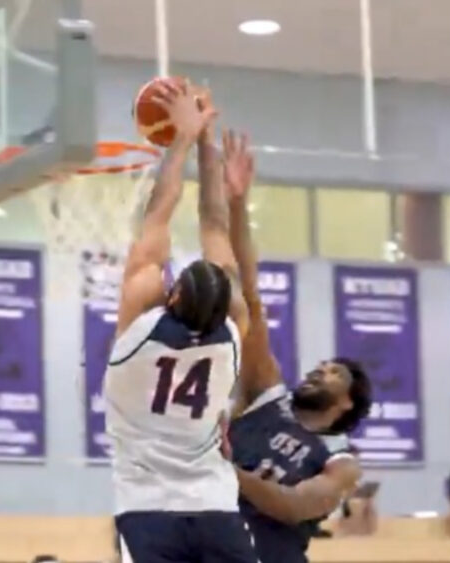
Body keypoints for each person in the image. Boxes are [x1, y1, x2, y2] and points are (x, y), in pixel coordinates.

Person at [104, 80, 258, 562]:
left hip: (148, 511)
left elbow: (159, 212)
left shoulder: (138, 337)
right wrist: (208, 142)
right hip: (215, 508)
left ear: (169, 297)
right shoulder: (232, 336)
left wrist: (186, 138)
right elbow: (214, 222)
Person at [218, 130, 373, 563]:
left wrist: (226, 471)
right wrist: (235, 203)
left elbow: (295, 506)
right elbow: (250, 295)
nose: (317, 372)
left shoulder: (341, 461)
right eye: (319, 366)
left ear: (346, 402)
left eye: (332, 373)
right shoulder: (266, 391)